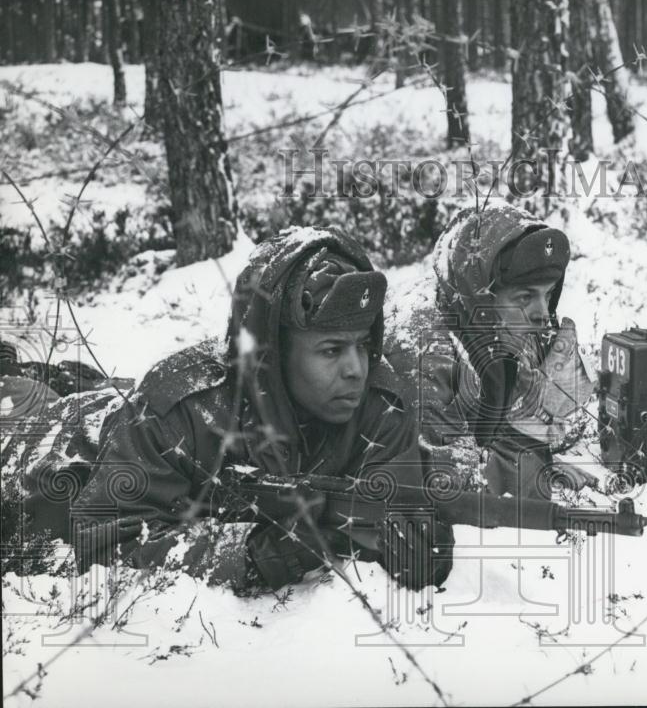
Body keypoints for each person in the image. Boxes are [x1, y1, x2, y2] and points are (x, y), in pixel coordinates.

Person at [22, 227, 453, 591]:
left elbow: (394, 505)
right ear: (273, 353)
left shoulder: (381, 406)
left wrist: (421, 549)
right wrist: (244, 555)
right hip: (50, 451)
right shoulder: (182, 404)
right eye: (331, 350)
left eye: (363, 345)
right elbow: (103, 542)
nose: (356, 369)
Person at [384, 202, 596, 501]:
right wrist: (529, 467)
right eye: (525, 297)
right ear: (481, 292)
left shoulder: (489, 320)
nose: (543, 313)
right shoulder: (427, 355)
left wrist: (544, 459)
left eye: (548, 295)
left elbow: (495, 421)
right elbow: (442, 487)